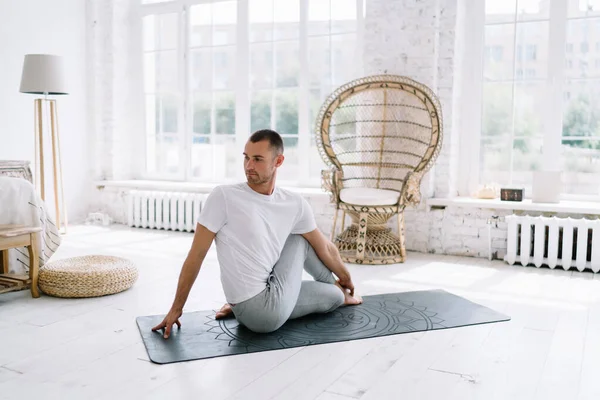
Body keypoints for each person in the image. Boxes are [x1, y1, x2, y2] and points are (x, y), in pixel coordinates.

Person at [152, 129, 362, 338]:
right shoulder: (224, 197)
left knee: (304, 240)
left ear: (278, 161)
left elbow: (325, 247)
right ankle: (338, 291)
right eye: (246, 158)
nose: (249, 166)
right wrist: (176, 308)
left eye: (258, 159)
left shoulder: (293, 203)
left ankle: (337, 288)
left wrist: (346, 277)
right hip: (261, 312)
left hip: (258, 300)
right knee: (329, 287)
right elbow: (195, 256)